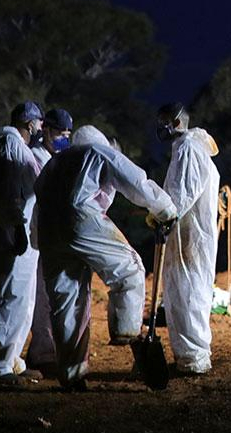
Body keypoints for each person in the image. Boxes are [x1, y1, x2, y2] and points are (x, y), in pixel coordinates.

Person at [35, 124, 178, 391]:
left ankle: (72, 375)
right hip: (81, 219)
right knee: (129, 269)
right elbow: (135, 181)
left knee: (67, 301)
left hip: (49, 232)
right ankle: (127, 330)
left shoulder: (54, 164)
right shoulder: (98, 152)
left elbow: (39, 199)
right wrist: (165, 209)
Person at [151, 102, 221, 375]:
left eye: (164, 120)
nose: (160, 127)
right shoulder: (186, 147)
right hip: (186, 233)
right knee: (181, 293)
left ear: (178, 122)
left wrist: (164, 216)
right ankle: (187, 357)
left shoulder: (189, 148)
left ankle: (194, 359)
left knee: (189, 293)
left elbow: (183, 192)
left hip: (190, 235)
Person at [0, 101, 45, 384]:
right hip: (10, 234)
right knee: (9, 297)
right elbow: (9, 194)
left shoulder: (15, 145)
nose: (41, 129)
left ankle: (11, 359)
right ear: (30, 123)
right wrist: (18, 227)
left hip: (18, 233)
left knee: (21, 299)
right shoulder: (10, 145)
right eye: (40, 123)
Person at [25, 107, 73, 377]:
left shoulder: (59, 158)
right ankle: (42, 353)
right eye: (59, 133)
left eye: (67, 134)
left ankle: (48, 349)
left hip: (54, 234)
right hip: (38, 234)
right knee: (42, 294)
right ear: (45, 130)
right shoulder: (36, 157)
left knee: (53, 293)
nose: (63, 139)